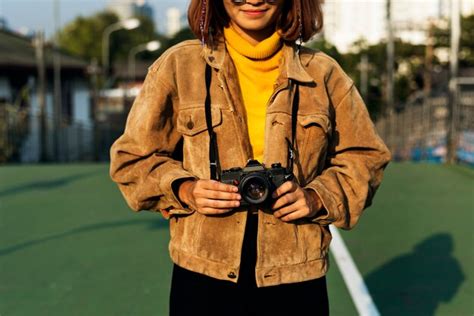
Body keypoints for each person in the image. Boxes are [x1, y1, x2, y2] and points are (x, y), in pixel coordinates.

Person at [110, 0, 391, 315]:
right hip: (203, 274)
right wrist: (186, 189)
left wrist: (316, 198)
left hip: (296, 274)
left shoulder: (324, 74)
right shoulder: (178, 67)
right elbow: (132, 158)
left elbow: (366, 156)